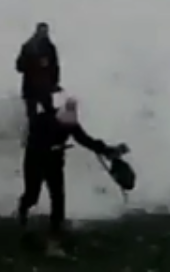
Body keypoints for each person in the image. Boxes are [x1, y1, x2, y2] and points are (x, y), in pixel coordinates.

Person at [17, 97, 128, 257]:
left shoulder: (71, 124)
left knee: (58, 198)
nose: (67, 126)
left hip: (54, 163)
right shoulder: (43, 119)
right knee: (32, 194)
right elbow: (31, 138)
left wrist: (106, 149)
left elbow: (85, 140)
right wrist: (49, 146)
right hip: (35, 159)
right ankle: (22, 213)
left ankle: (55, 237)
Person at [15, 23, 60, 122]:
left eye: (45, 32)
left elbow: (55, 68)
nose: (43, 34)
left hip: (42, 88)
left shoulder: (50, 48)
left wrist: (54, 83)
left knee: (48, 114)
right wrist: (34, 63)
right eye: (42, 31)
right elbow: (19, 67)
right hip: (32, 88)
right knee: (33, 116)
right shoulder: (28, 47)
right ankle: (34, 134)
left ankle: (45, 134)